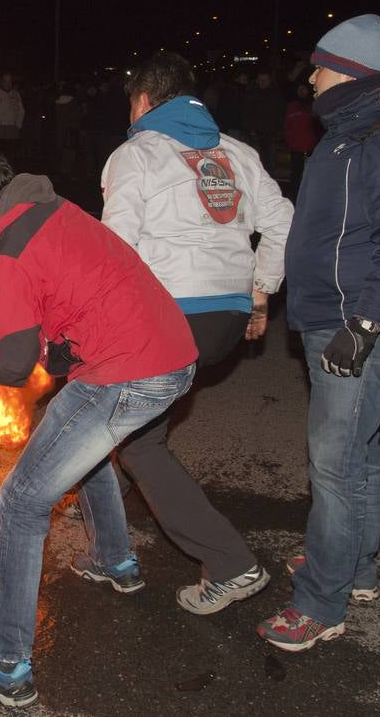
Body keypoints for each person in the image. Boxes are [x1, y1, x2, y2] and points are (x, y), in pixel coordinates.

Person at [0, 148, 198, 707]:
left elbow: (9, 364)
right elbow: (51, 303)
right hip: (170, 354)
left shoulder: (6, 245)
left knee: (22, 500)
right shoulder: (51, 209)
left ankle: (4, 664)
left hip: (126, 371)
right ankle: (114, 559)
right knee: (80, 443)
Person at [257, 14, 380, 652]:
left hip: (364, 327)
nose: (310, 77)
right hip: (330, 320)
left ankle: (320, 605)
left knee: (333, 465)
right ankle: (353, 570)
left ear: (351, 70)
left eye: (319, 65)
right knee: (355, 455)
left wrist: (363, 326)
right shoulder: (346, 132)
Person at [99, 52, 291, 615]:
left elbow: (117, 249)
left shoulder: (136, 155)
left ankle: (232, 564)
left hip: (168, 316)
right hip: (226, 319)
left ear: (142, 100)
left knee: (136, 439)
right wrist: (260, 293)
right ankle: (106, 541)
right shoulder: (238, 152)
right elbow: (283, 224)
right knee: (128, 418)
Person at [241, 70, 286, 170]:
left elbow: (280, 114)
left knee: (270, 162)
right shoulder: (251, 94)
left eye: (264, 80)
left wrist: (279, 131)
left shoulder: (276, 95)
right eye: (260, 80)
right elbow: (246, 114)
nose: (262, 82)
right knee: (256, 162)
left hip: (271, 133)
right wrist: (250, 130)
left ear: (269, 81)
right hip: (255, 134)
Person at [284, 82, 319, 195]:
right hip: (296, 147)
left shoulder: (314, 105)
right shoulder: (292, 106)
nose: (301, 91)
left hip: (312, 147)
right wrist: (289, 141)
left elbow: (319, 127)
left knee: (311, 174)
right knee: (296, 174)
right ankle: (294, 196)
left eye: (303, 89)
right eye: (299, 89)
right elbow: (287, 125)